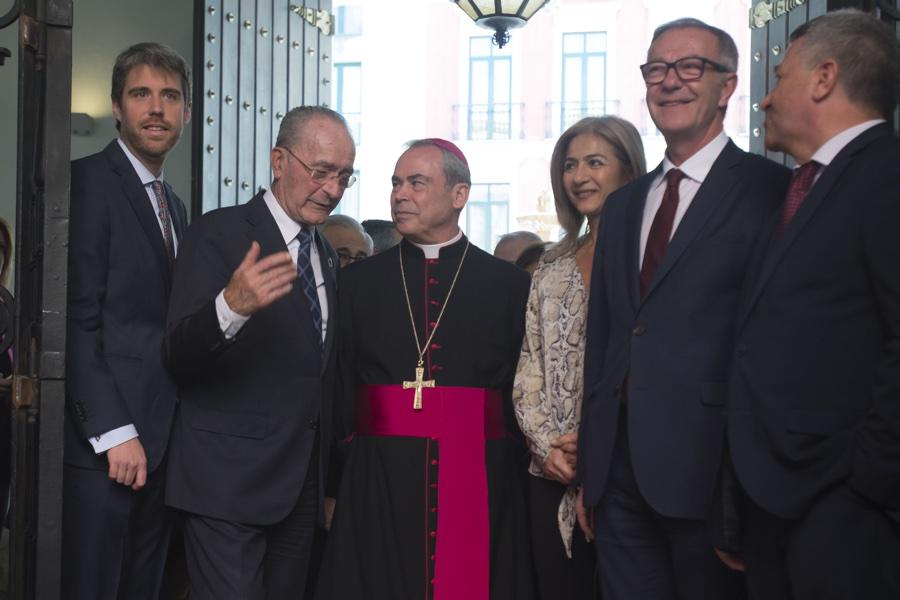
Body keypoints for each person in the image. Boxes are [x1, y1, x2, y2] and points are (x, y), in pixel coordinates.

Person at [576, 18, 791, 600]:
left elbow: (778, 343)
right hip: (617, 475)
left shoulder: (770, 192)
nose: (669, 82)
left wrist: (752, 488)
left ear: (727, 86)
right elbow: (607, 337)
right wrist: (590, 474)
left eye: (689, 67)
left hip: (714, 474)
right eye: (656, 70)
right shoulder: (622, 206)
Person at [720, 10, 900, 600]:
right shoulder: (803, 189)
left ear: (824, 79)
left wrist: (863, 484)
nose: (765, 100)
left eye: (779, 76)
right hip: (775, 506)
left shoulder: (885, 178)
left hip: (845, 512)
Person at [315, 139, 534, 600]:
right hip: (377, 478)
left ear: (459, 195)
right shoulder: (356, 283)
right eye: (396, 183)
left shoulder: (508, 286)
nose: (400, 194)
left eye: (417, 182)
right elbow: (338, 388)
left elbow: (522, 393)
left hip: (479, 477)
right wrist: (334, 483)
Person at [163, 106, 355, 599]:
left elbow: (321, 376)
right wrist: (230, 307)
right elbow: (178, 354)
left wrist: (328, 483)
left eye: (343, 177)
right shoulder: (218, 233)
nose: (331, 190)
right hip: (226, 486)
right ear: (278, 160)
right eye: (320, 172)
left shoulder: (326, 253)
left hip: (298, 494)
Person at [62, 42, 191, 600]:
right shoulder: (87, 183)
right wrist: (114, 433)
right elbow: (73, 317)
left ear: (186, 111)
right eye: (141, 94)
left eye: (170, 96)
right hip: (105, 450)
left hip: (161, 450)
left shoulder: (175, 206)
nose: (157, 108)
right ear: (116, 107)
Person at [514, 116, 645, 600]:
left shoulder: (652, 257)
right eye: (570, 165)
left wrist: (598, 444)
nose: (578, 176)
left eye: (595, 162)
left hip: (628, 469)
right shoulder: (551, 265)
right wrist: (547, 447)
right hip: (553, 472)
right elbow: (530, 368)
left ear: (629, 171)